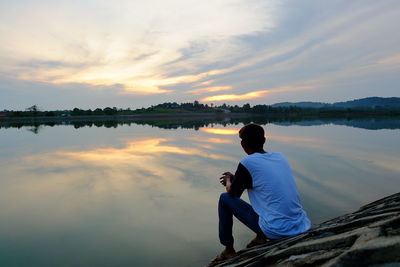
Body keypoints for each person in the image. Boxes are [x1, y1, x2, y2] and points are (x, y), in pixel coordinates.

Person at [213, 123, 311, 262]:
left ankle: (228, 250)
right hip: (301, 224)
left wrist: (229, 180)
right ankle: (260, 238)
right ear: (264, 140)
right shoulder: (280, 157)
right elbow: (261, 181)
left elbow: (233, 194)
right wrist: (237, 179)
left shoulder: (247, 162)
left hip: (278, 230)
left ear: (242, 144)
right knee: (266, 200)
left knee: (224, 199)